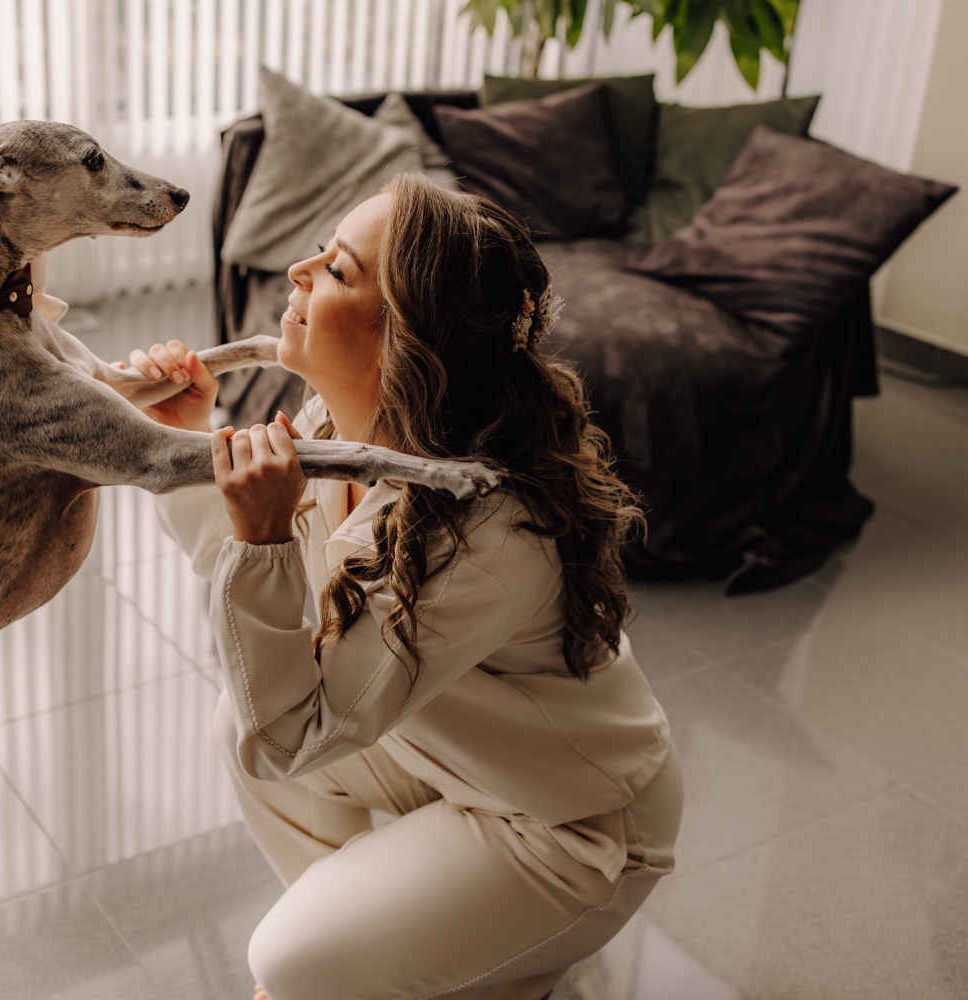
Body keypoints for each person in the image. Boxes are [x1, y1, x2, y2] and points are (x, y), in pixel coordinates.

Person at [125, 172, 683, 1000]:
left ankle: (450, 954)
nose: (298, 271)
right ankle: (399, 956)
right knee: (238, 729)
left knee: (287, 961)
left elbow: (288, 730)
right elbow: (267, 657)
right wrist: (189, 443)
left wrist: (266, 534)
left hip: (570, 824)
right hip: (462, 754)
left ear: (404, 342)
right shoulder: (333, 428)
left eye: (339, 270)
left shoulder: (483, 526)